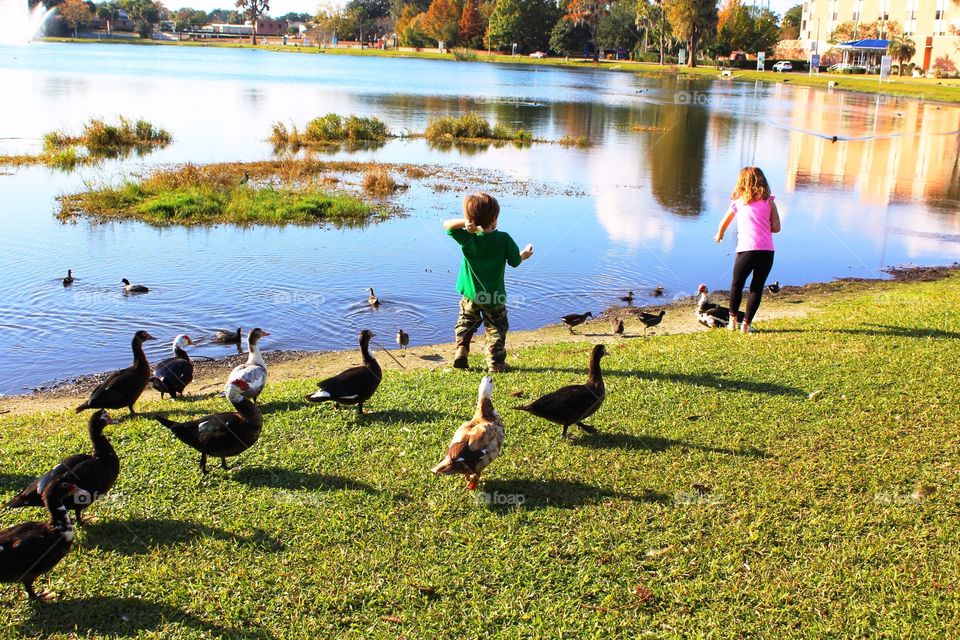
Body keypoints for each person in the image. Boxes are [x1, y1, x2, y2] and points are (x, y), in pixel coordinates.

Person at [443, 192, 533, 372]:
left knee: (466, 322)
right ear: (494, 219)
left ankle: (461, 349)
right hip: (494, 297)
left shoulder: (468, 238)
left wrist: (465, 223)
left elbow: (447, 226)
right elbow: (515, 262)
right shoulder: (503, 238)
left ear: (471, 219)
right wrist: (524, 254)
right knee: (496, 328)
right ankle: (496, 363)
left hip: (470, 295)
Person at [713, 166, 781, 333]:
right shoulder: (769, 201)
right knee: (756, 288)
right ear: (762, 181)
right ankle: (746, 325)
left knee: (737, 285)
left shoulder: (738, 202)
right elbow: (777, 228)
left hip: (746, 250)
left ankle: (732, 322)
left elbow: (724, 222)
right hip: (766, 251)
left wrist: (719, 234)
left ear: (741, 182)